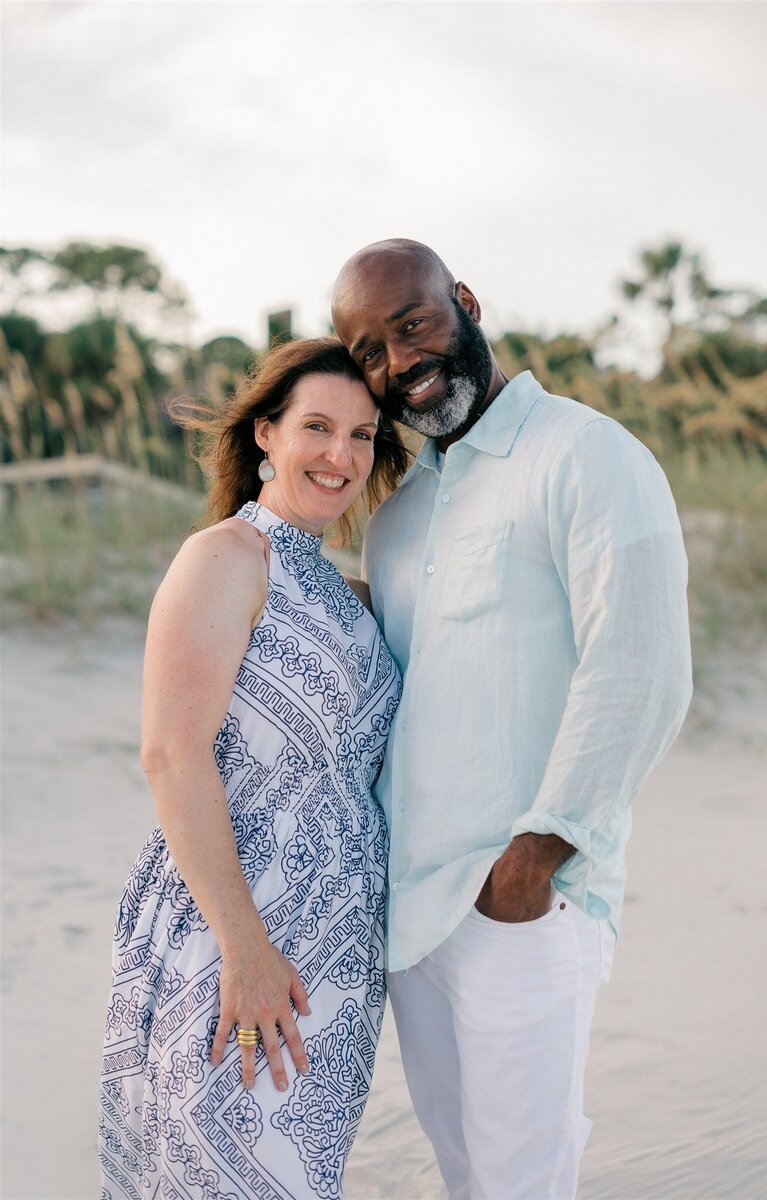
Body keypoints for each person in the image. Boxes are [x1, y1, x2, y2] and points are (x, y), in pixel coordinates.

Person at [331, 239, 693, 1200]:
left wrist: (537, 857)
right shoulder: (400, 517)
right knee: (467, 1178)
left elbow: (641, 665)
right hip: (412, 912)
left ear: (464, 301)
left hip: (522, 902)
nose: (400, 362)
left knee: (519, 1184)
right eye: (369, 351)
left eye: (412, 325)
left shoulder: (585, 454)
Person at [98, 338, 409, 1199]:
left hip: (332, 953)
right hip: (236, 932)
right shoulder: (227, 558)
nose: (341, 455)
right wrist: (246, 948)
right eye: (317, 426)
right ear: (266, 434)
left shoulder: (342, 591)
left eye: (363, 435)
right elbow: (170, 753)